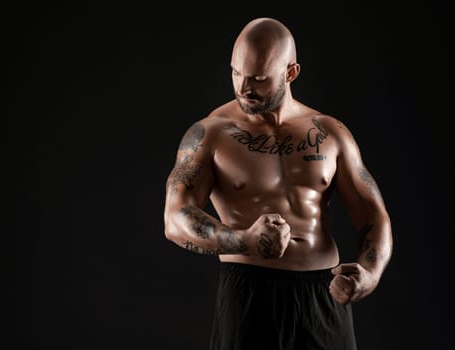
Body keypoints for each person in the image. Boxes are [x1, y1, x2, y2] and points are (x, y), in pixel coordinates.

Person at [163, 17, 393, 350]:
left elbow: (374, 216)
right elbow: (174, 217)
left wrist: (370, 274)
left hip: (322, 295)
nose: (243, 88)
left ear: (290, 73)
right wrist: (243, 240)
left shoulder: (330, 133)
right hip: (250, 294)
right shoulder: (210, 133)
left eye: (257, 78)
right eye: (236, 73)